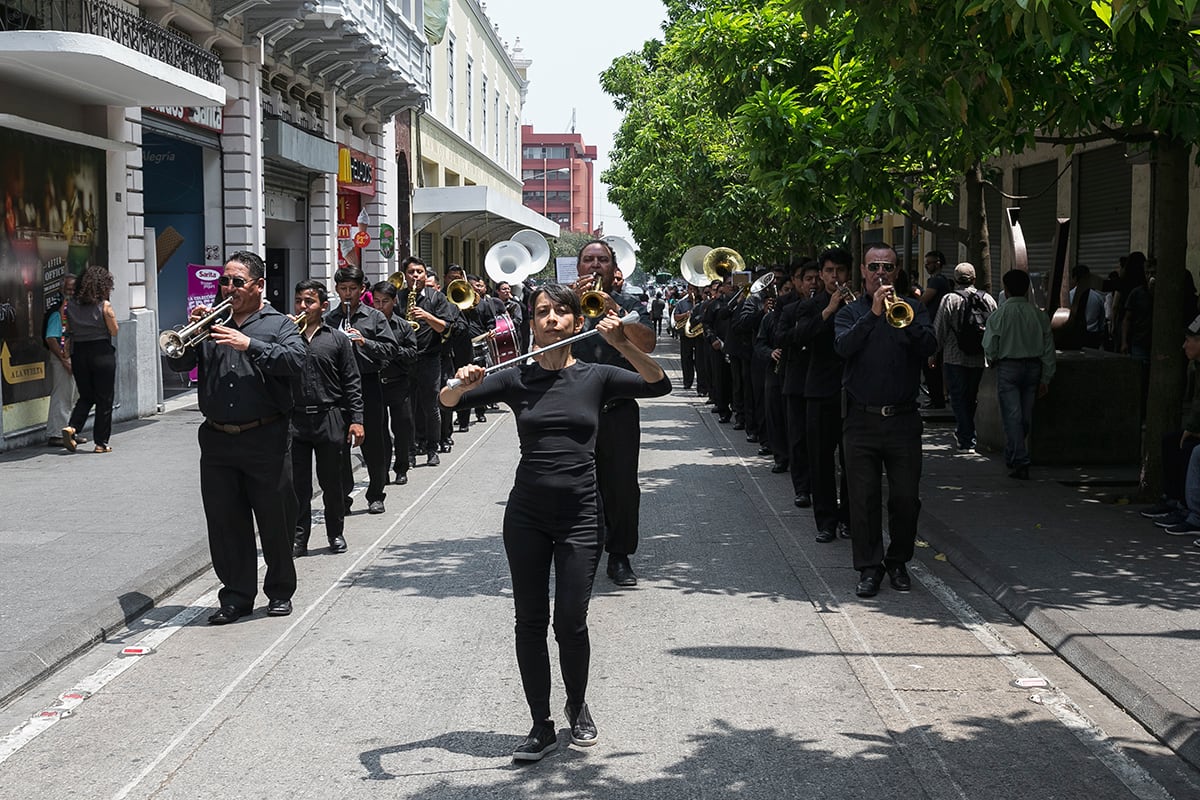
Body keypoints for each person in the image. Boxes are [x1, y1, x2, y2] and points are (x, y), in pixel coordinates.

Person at [439, 284, 670, 761]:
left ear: (576, 323)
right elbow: (446, 402)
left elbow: (658, 383)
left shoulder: (597, 375)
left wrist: (623, 342)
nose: (551, 319)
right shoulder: (515, 379)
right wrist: (460, 380)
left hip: (582, 515)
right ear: (531, 324)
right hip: (526, 516)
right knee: (529, 620)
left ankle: (578, 705)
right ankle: (540, 724)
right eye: (541, 312)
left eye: (560, 313)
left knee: (570, 620)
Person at [164, 252, 306, 624]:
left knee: (274, 519)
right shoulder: (211, 324)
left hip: (266, 437)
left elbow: (296, 362)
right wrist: (190, 338)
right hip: (217, 440)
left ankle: (279, 590)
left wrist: (249, 345)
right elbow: (178, 363)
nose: (228, 288)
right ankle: (236, 597)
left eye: (237, 282)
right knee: (226, 523)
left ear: (258, 285)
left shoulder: (279, 324)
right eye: (224, 281)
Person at [835, 243, 938, 598]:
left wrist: (902, 317)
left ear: (897, 272)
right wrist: (874, 314)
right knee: (862, 499)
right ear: (863, 271)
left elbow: (929, 346)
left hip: (903, 421)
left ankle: (897, 561)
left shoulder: (914, 309)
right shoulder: (850, 312)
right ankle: (868, 567)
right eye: (874, 266)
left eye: (888, 267)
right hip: (861, 421)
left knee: (906, 498)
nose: (881, 273)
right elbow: (842, 348)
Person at [570, 240, 656, 586]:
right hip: (574, 410)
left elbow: (647, 344)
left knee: (621, 488)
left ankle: (619, 556)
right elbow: (541, 343)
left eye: (601, 260)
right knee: (572, 485)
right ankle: (577, 552)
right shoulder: (563, 304)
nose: (594, 266)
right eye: (588, 260)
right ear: (577, 267)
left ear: (612, 266)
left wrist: (615, 311)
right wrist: (569, 307)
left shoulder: (630, 304)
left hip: (618, 408)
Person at [290, 279, 364, 557]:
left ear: (323, 306)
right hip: (295, 419)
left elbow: (352, 381)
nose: (302, 306)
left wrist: (357, 419)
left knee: (332, 482)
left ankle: (335, 533)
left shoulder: (337, 339)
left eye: (308, 302)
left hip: (330, 416)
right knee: (297, 485)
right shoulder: (288, 336)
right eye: (298, 301)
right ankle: (299, 538)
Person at [325, 266, 398, 515]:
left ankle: (376, 494)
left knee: (373, 443)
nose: (348, 294)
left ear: (362, 289)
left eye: (353, 289)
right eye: (343, 289)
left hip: (368, 383)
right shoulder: (330, 320)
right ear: (336, 290)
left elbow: (390, 350)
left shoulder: (375, 317)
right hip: (338, 387)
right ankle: (343, 496)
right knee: (339, 445)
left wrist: (364, 342)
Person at [793, 248, 853, 542]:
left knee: (853, 461)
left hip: (853, 392)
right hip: (819, 392)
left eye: (839, 271)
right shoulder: (810, 305)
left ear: (849, 274)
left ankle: (850, 519)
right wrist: (828, 309)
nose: (834, 277)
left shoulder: (862, 305)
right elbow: (800, 337)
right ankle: (826, 521)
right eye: (829, 271)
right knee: (821, 460)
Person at [982, 269, 1056, 481]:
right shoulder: (1039, 315)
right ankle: (1014, 454)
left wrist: (993, 359)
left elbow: (990, 344)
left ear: (1006, 289)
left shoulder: (999, 315)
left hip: (1008, 367)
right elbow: (1048, 348)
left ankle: (1018, 457)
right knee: (1024, 416)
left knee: (1012, 416)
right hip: (1033, 368)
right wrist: (1047, 377)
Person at [398, 256, 462, 467]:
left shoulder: (436, 298)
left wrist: (426, 316)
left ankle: (433, 448)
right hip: (406, 361)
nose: (416, 276)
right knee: (406, 410)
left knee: (431, 407)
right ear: (405, 275)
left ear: (425, 274)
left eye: (419, 272)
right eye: (411, 272)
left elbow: (445, 327)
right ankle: (409, 451)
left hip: (430, 358)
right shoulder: (399, 298)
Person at [1141, 313, 1200, 528]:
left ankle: (1189, 509)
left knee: (1188, 449)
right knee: (1171, 441)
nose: (1184, 346)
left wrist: (1192, 429)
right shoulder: (1196, 367)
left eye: (1189, 341)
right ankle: (1173, 499)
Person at [933, 263, 997, 452]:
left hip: (954, 357)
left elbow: (939, 329)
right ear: (974, 279)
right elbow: (994, 328)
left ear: (954, 280)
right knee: (971, 397)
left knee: (958, 397)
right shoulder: (988, 299)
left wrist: (932, 353)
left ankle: (966, 438)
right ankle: (967, 434)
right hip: (979, 357)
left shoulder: (949, 299)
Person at [61, 266, 119, 453]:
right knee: (104, 398)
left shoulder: (69, 306)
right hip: (101, 353)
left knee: (86, 396)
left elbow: (69, 329)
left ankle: (72, 427)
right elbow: (114, 330)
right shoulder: (105, 306)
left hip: (79, 353)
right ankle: (101, 443)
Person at [371, 281, 420, 485]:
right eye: (376, 301)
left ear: (394, 301)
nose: (380, 306)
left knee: (401, 427)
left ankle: (402, 467)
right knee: (379, 431)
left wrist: (391, 351)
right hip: (376, 383)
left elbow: (412, 353)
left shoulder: (403, 326)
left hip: (398, 382)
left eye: (385, 301)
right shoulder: (368, 323)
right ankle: (382, 472)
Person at [44, 274, 79, 447]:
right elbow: (51, 338)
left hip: (69, 355)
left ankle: (70, 431)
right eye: (68, 289)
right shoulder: (57, 312)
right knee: (62, 395)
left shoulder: (71, 308)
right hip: (62, 357)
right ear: (61, 290)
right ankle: (56, 433)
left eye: (74, 289)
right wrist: (64, 360)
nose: (71, 292)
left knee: (73, 395)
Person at [920, 250, 951, 409]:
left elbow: (924, 301)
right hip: (937, 326)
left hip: (935, 327)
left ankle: (937, 399)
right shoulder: (940, 280)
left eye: (929, 263)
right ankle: (937, 397)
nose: (926, 266)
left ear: (938, 263)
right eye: (925, 264)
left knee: (931, 365)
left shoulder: (936, 281)